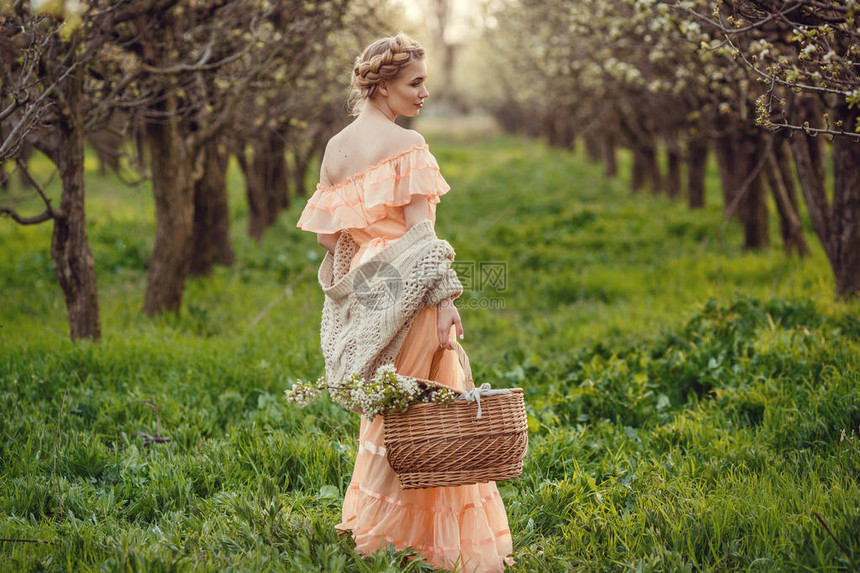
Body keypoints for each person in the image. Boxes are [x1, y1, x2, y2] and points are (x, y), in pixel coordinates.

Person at [297, 33, 513, 572]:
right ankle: (435, 546)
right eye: (415, 83)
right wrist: (446, 302)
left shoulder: (336, 148)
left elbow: (329, 238)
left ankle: (379, 534)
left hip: (371, 295)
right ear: (385, 85)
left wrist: (373, 254)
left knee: (387, 415)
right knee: (431, 416)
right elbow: (423, 239)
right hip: (412, 296)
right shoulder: (408, 148)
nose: (424, 93)